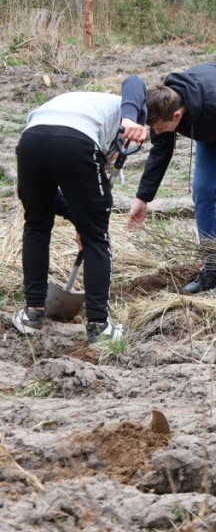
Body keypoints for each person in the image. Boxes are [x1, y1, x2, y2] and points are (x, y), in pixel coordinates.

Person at [13, 77, 148, 341]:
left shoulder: (88, 104)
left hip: (31, 141)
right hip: (76, 141)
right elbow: (134, 81)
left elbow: (54, 197)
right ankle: (99, 326)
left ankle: (33, 315)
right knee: (97, 237)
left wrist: (81, 218)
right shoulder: (126, 109)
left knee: (37, 225)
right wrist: (90, 226)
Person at [126, 62, 216, 297]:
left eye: (161, 129)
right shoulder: (163, 107)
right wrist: (142, 198)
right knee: (202, 189)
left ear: (176, 115)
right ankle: (211, 267)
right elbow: (160, 153)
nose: (158, 133)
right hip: (210, 127)